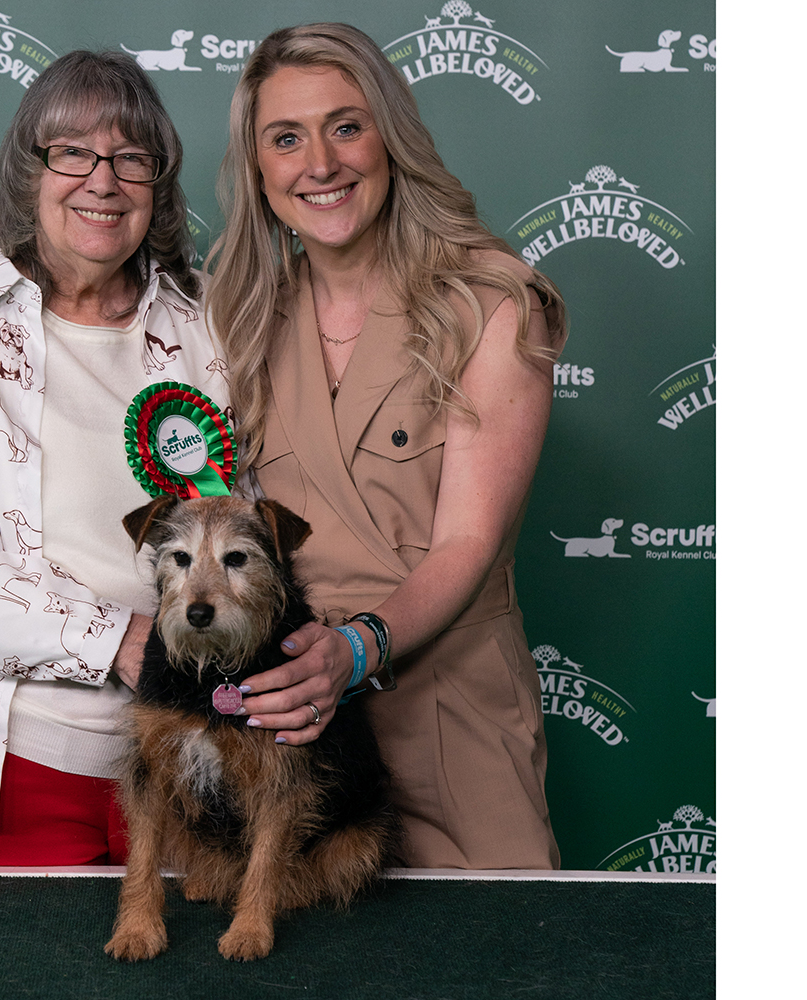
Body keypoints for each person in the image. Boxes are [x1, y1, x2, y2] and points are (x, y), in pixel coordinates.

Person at [207, 23, 568, 870]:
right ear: (260, 173)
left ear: (391, 138)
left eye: (346, 125)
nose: (320, 164)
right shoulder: (243, 314)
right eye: (285, 139)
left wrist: (353, 651)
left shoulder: (489, 301)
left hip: (452, 709)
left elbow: (468, 543)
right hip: (291, 725)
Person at [0, 51, 228, 866]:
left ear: (158, 185)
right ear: (28, 169)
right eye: (73, 153)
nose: (103, 181)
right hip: (3, 765)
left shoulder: (210, 319)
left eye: (132, 159)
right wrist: (122, 639)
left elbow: (252, 509)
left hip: (192, 761)